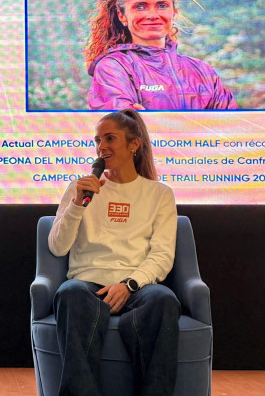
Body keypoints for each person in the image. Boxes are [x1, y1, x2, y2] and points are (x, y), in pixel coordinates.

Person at [48, 108, 181, 396]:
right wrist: (77, 205)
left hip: (137, 286)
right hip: (87, 284)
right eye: (97, 140)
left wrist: (129, 284)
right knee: (69, 294)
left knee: (164, 299)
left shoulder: (159, 194)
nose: (101, 147)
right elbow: (57, 246)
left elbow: (162, 255)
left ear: (134, 144)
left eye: (110, 138)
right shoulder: (79, 188)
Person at [84, 0, 237, 110]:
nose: (152, 15)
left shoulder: (202, 71)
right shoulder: (114, 67)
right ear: (122, 16)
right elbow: (126, 129)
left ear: (174, 12)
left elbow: (232, 128)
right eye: (140, 7)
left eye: (162, 6)